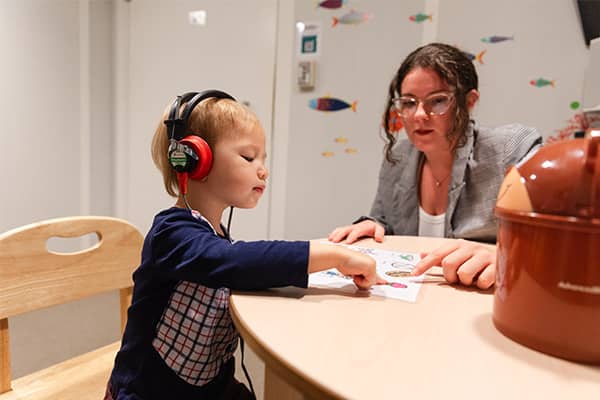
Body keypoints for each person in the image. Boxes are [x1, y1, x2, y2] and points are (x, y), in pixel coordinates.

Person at [105, 90, 384, 400]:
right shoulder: (170, 234)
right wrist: (332, 255)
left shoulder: (216, 234)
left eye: (263, 159)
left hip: (211, 389)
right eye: (249, 157)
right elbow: (229, 261)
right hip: (146, 392)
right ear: (195, 160)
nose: (263, 169)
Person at [328, 43, 542, 289]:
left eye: (438, 101)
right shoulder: (398, 156)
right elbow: (386, 221)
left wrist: (505, 255)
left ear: (470, 102)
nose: (419, 114)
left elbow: (552, 239)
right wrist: (374, 226)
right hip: (413, 299)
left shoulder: (510, 149)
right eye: (408, 103)